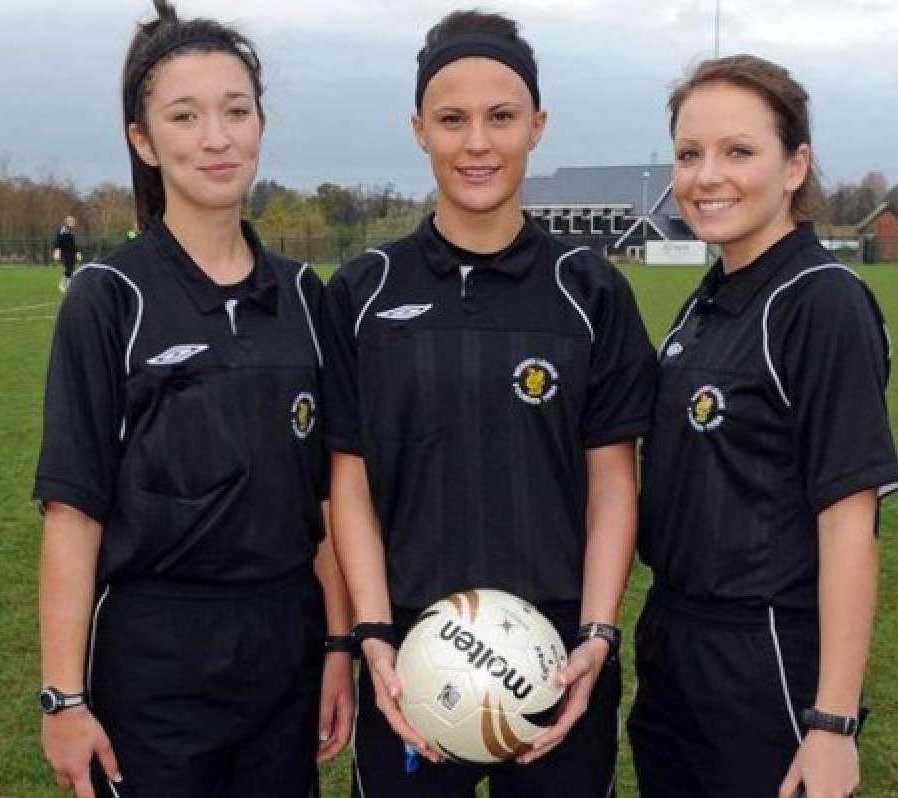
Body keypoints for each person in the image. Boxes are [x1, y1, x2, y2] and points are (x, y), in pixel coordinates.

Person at [322, 10, 656, 797]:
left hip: (559, 655)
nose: (478, 143)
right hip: (406, 658)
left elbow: (613, 482)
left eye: (501, 117)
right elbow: (349, 482)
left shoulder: (590, 290)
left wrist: (597, 637)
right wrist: (372, 637)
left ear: (537, 126)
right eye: (452, 119)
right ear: (419, 130)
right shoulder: (363, 293)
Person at [32, 3, 353, 797]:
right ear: (143, 140)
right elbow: (73, 513)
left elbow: (329, 500)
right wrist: (63, 698)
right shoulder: (108, 299)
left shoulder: (308, 297)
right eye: (185, 115)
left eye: (235, 111)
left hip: (287, 647)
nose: (216, 137)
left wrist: (339, 645)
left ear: (259, 124)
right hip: (157, 659)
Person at [627, 54, 898, 798]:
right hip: (673, 642)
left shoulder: (821, 302)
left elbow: (851, 524)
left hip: (764, 654)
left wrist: (833, 723)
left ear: (795, 166)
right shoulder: (708, 300)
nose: (707, 175)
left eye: (739, 151)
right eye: (690, 154)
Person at [54, 215, 82, 292]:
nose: (74, 223)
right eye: (72, 222)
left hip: (71, 253)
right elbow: (58, 242)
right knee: (69, 269)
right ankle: (64, 285)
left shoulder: (71, 231)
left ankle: (66, 285)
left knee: (71, 269)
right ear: (67, 222)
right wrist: (57, 250)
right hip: (65, 253)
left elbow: (73, 244)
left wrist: (77, 252)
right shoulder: (62, 231)